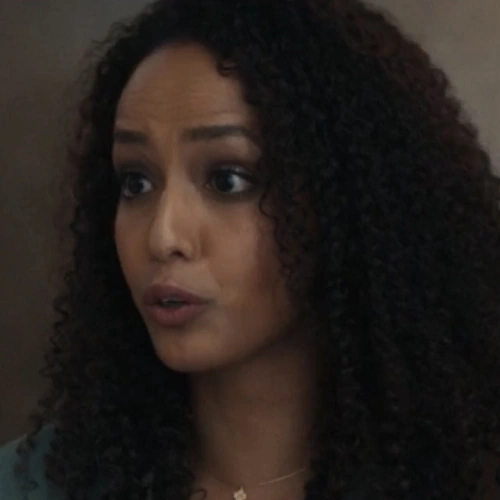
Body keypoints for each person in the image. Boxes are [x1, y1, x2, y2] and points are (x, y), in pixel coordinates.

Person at [2, 0, 500, 498]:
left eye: (227, 180)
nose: (163, 236)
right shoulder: (31, 485)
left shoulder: (467, 480)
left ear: (347, 204)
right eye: (136, 182)